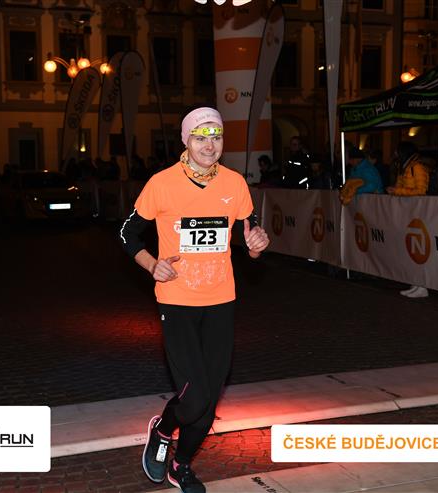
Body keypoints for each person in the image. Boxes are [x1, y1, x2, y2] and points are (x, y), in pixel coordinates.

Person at [120, 107, 269, 493]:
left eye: (216, 137)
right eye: (200, 137)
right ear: (186, 140)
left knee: (207, 403)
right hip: (177, 301)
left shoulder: (235, 184)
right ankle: (163, 429)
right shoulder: (162, 183)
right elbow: (127, 233)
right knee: (195, 396)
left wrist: (256, 245)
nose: (209, 145)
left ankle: (181, 464)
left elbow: (251, 235)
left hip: (221, 301)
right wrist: (152, 264)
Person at [387, 141, 429, 298]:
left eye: (397, 151)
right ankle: (416, 283)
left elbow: (421, 190)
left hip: (417, 212)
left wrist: (397, 191)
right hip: (409, 212)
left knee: (418, 250)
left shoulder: (416, 167)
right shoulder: (405, 167)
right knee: (411, 249)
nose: (395, 154)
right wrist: (396, 190)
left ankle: (422, 285)